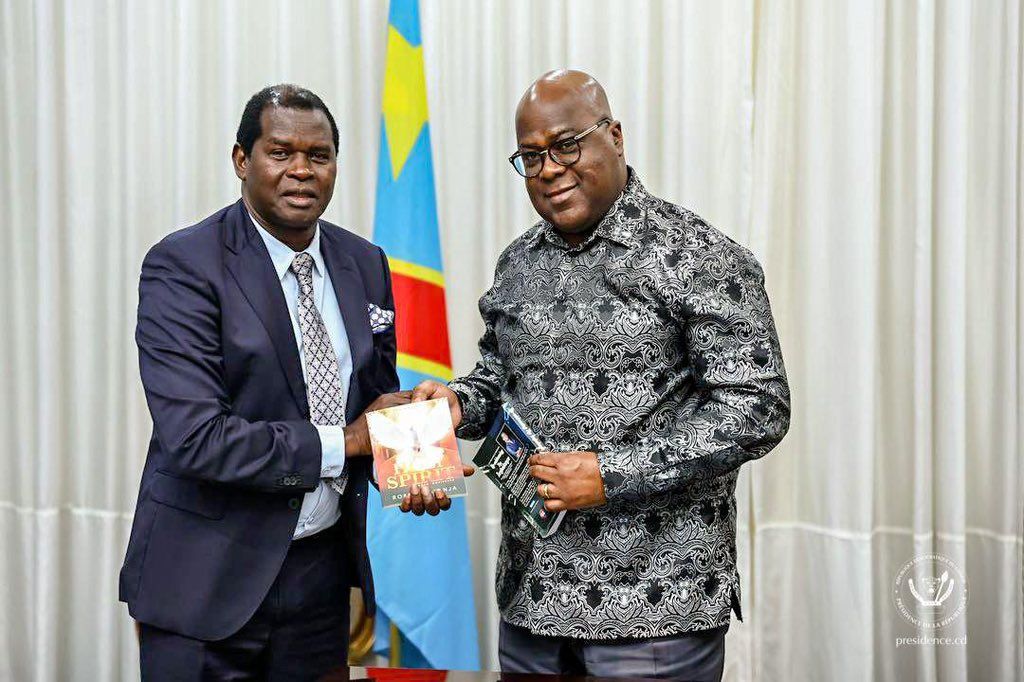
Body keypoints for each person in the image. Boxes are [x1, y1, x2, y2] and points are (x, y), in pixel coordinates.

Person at [411, 70, 791, 680]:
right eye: (531, 157)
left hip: (654, 610)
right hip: (532, 602)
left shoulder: (698, 255)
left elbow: (758, 407)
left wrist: (610, 474)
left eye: (566, 146)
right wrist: (457, 404)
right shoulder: (517, 263)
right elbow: (500, 379)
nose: (550, 169)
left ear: (614, 136)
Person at [120, 84, 408, 680]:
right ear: (241, 160)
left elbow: (376, 398)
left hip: (320, 582)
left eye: (319, 155)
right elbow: (197, 438)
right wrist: (346, 442)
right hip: (206, 583)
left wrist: (413, 462)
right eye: (280, 153)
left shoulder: (365, 263)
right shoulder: (184, 265)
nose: (301, 170)